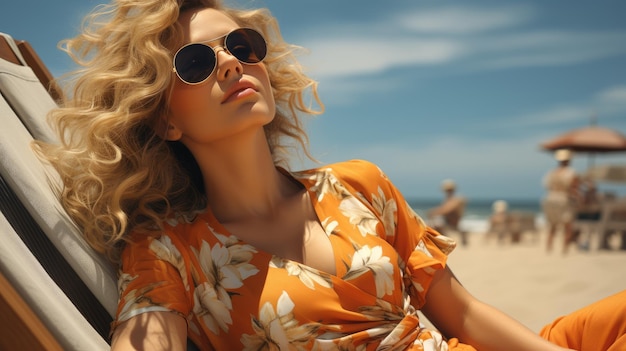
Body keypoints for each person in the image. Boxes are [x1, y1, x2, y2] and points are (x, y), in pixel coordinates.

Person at [33, 0, 626, 350]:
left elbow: (463, 315)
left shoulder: (357, 184)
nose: (233, 61)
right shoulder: (169, 251)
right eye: (194, 62)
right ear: (164, 120)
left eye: (240, 44)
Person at [541, 149, 579, 254]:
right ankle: (564, 249)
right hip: (563, 199)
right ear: (569, 160)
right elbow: (574, 189)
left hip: (550, 199)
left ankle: (549, 248)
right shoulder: (571, 173)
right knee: (568, 225)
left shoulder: (551, 173)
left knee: (552, 225)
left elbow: (546, 186)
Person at [427, 179, 468, 246]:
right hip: (448, 221)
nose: (448, 192)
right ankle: (441, 240)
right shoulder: (449, 199)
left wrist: (433, 212)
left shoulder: (456, 200)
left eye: (449, 190)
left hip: (452, 222)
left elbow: (446, 210)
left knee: (436, 223)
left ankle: (443, 241)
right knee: (433, 223)